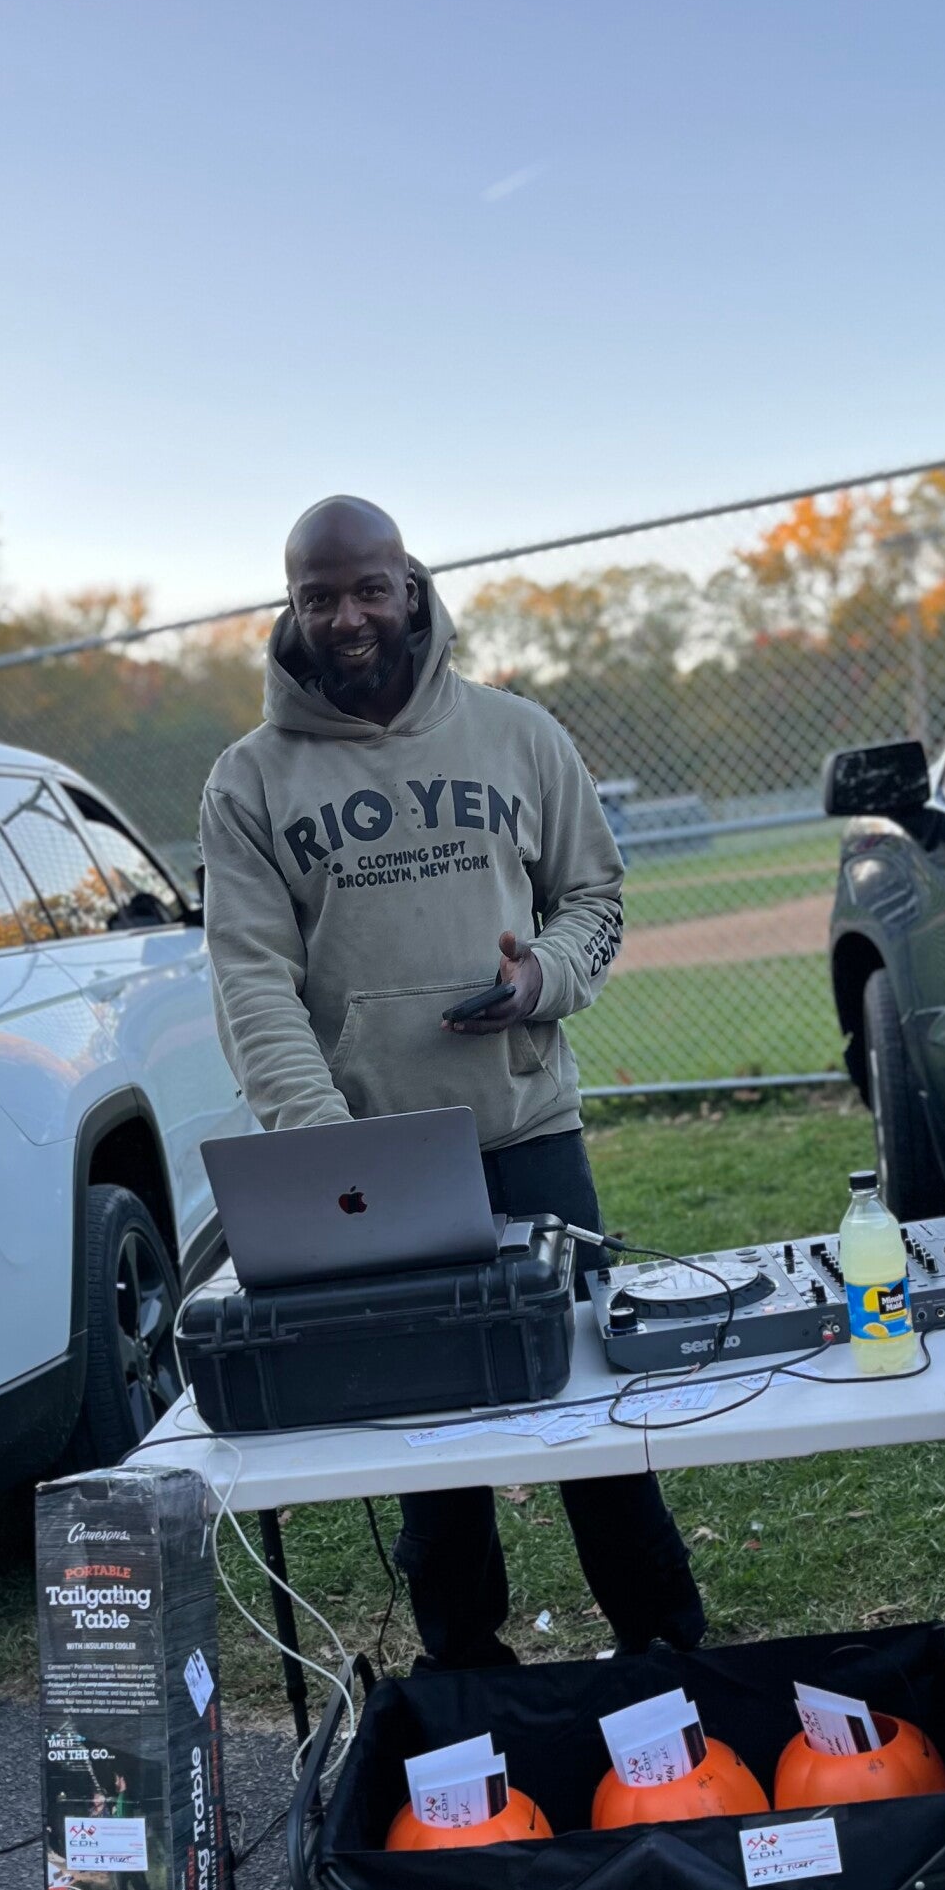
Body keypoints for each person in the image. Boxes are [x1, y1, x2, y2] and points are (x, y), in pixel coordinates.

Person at [200, 495, 706, 1670]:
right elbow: (252, 979)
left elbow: (594, 897)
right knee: (429, 1438)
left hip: (526, 1123)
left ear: (412, 586)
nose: (347, 616)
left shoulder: (518, 734)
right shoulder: (249, 781)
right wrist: (325, 1141)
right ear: (292, 605)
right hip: (376, 1153)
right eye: (319, 596)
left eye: (369, 589)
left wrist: (542, 981)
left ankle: (667, 1650)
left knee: (591, 1407)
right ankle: (465, 1680)